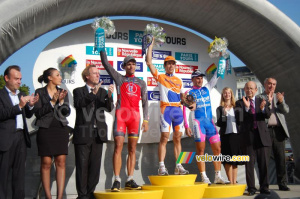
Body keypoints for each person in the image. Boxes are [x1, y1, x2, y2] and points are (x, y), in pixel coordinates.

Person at [100, 51, 148, 192]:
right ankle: (116, 179)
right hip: (121, 116)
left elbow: (145, 102)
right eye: (129, 64)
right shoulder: (119, 78)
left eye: (133, 64)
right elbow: (106, 64)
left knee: (132, 149)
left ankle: (130, 179)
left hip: (135, 118)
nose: (131, 66)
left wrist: (146, 119)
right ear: (124, 66)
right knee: (118, 147)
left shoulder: (141, 83)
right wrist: (101, 46)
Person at [146, 38, 188, 176]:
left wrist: (189, 102)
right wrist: (151, 46)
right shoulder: (161, 76)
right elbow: (149, 62)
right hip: (166, 110)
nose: (171, 66)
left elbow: (183, 99)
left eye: (173, 64)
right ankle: (161, 166)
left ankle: (179, 165)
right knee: (164, 137)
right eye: (168, 64)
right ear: (165, 66)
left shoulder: (179, 80)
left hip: (177, 110)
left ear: (175, 66)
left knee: (177, 138)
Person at [73, 65, 114, 199]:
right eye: (95, 73)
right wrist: (93, 94)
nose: (98, 75)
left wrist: (109, 96)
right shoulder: (78, 91)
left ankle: (90, 193)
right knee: (82, 166)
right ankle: (82, 195)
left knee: (95, 167)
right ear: (87, 76)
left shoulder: (102, 91)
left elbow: (108, 108)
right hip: (83, 134)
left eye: (98, 73)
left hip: (98, 134)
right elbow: (79, 104)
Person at [182, 70, 229, 184]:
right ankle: (203, 176)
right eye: (197, 78)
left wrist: (222, 57)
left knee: (218, 149)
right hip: (198, 124)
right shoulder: (189, 92)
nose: (200, 80)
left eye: (201, 78)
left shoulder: (206, 88)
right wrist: (186, 125)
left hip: (210, 123)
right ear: (192, 79)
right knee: (200, 150)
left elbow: (216, 75)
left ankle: (218, 176)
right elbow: (185, 108)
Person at [0, 65, 39, 199]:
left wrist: (31, 105)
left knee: (19, 175)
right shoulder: (1, 95)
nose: (19, 82)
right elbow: (2, 114)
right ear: (6, 78)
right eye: (16, 79)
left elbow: (27, 115)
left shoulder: (21, 94)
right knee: (3, 176)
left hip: (21, 138)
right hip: (6, 139)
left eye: (20, 79)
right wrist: (19, 106)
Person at [34, 68, 71, 199]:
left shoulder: (63, 92)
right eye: (57, 75)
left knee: (61, 162)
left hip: (60, 130)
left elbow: (67, 112)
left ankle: (59, 197)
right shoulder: (39, 92)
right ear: (50, 78)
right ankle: (48, 197)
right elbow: (37, 113)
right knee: (46, 163)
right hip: (45, 130)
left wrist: (61, 103)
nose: (60, 77)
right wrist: (52, 102)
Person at [235, 81, 271, 196]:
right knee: (249, 164)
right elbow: (238, 119)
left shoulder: (261, 101)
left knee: (263, 163)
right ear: (244, 90)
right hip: (247, 137)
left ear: (256, 90)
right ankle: (251, 188)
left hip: (262, 137)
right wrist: (246, 108)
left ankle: (264, 187)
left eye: (251, 88)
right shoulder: (239, 103)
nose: (249, 90)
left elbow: (268, 115)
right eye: (247, 88)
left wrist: (263, 109)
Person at [258, 77, 290, 191]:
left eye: (274, 84)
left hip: (278, 131)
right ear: (265, 84)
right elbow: (259, 113)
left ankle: (282, 183)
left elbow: (286, 110)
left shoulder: (279, 97)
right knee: (264, 159)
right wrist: (267, 102)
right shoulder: (259, 97)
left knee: (281, 158)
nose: (271, 86)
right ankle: (264, 185)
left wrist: (280, 102)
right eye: (269, 84)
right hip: (266, 131)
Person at [216, 87, 243, 184]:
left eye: (229, 93)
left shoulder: (237, 107)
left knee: (235, 159)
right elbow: (219, 123)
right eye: (225, 93)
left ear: (231, 95)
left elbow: (241, 121)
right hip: (225, 136)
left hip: (236, 135)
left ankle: (234, 181)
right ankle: (230, 181)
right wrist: (224, 115)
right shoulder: (219, 108)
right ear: (222, 95)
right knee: (227, 159)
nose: (227, 95)